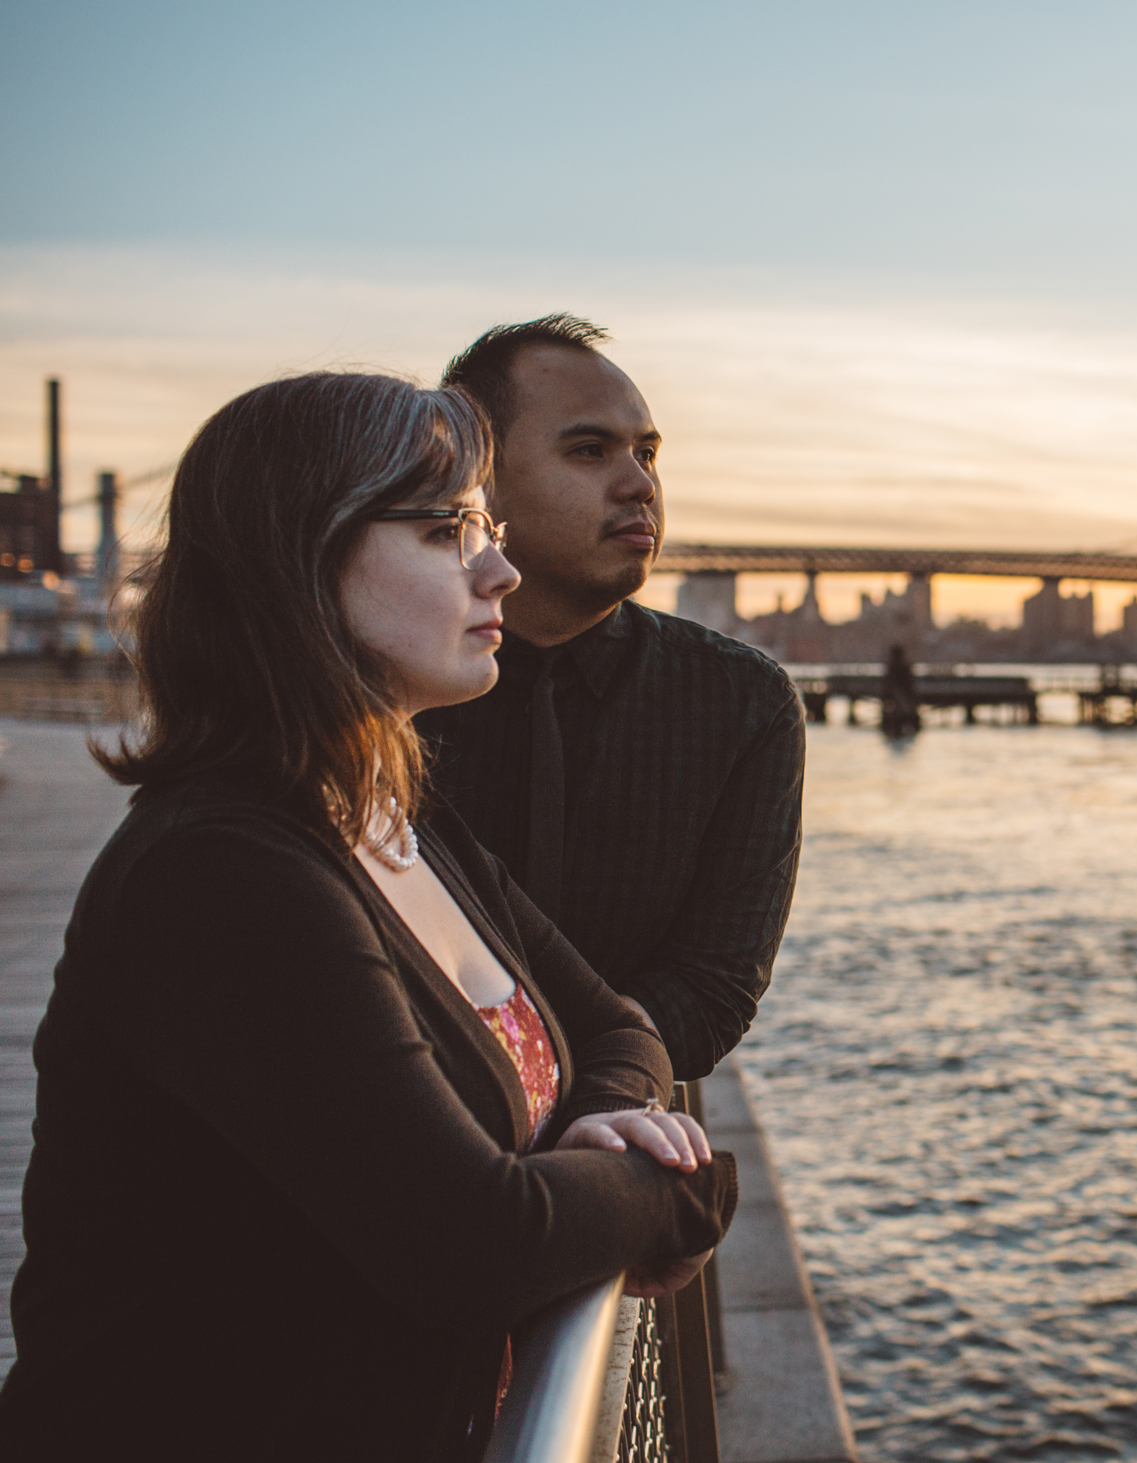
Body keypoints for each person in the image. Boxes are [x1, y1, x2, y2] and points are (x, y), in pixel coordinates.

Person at [0, 374, 738, 1462]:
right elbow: (474, 1241)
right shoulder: (222, 871)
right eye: (447, 531)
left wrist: (591, 1128)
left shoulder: (395, 815)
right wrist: (672, 1190)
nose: (500, 566)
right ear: (299, 561)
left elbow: (620, 1024)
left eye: (483, 523)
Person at [417, 316, 804, 1083]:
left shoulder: (743, 705)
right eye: (590, 451)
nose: (640, 485)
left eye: (648, 453)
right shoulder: (386, 689)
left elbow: (712, 989)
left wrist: (584, 1094)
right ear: (476, 478)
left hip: (626, 1147)